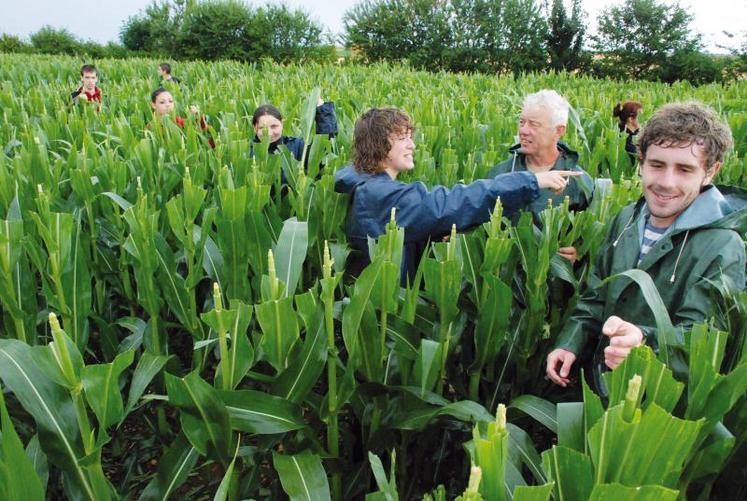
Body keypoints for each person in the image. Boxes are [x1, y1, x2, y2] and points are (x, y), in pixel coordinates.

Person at [546, 102, 747, 394]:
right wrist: (570, 341)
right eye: (656, 165)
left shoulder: (723, 245)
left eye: (684, 169)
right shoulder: (626, 220)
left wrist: (643, 343)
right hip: (603, 386)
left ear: (710, 172)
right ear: (640, 162)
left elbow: (705, 341)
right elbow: (595, 298)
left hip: (661, 411)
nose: (666, 182)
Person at [334, 107, 581, 282]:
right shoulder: (381, 195)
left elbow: (407, 230)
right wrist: (532, 181)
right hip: (383, 318)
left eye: (411, 137)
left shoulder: (363, 182)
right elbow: (454, 202)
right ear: (379, 145)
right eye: (403, 139)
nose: (412, 145)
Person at [487, 90, 593, 263]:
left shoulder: (579, 182)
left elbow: (592, 240)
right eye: (522, 122)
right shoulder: (500, 173)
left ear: (558, 131)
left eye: (534, 125)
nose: (523, 130)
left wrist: (579, 255)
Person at [251, 98, 338, 162]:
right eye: (263, 128)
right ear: (255, 128)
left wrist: (323, 112)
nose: (269, 133)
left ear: (282, 124)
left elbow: (324, 151)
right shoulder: (246, 152)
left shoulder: (297, 147)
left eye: (274, 126)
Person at [150, 87, 214, 148]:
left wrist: (196, 116)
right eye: (162, 102)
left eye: (170, 101)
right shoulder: (151, 127)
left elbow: (200, 128)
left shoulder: (178, 121)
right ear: (153, 105)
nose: (168, 105)